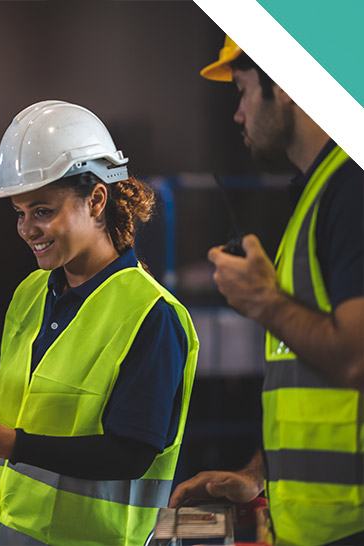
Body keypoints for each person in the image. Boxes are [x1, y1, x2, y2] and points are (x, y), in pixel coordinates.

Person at [0, 100, 199, 546]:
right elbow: (24, 413)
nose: (26, 229)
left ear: (96, 199)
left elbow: (130, 454)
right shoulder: (32, 293)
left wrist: (8, 445)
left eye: (42, 210)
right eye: (19, 213)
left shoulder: (152, 315)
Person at [168, 37, 364, 546]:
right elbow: (313, 390)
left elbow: (355, 359)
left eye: (244, 90)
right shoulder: (318, 194)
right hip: (319, 526)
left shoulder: (352, 190)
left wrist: (264, 301)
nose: (238, 114)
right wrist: (259, 476)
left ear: (288, 87)